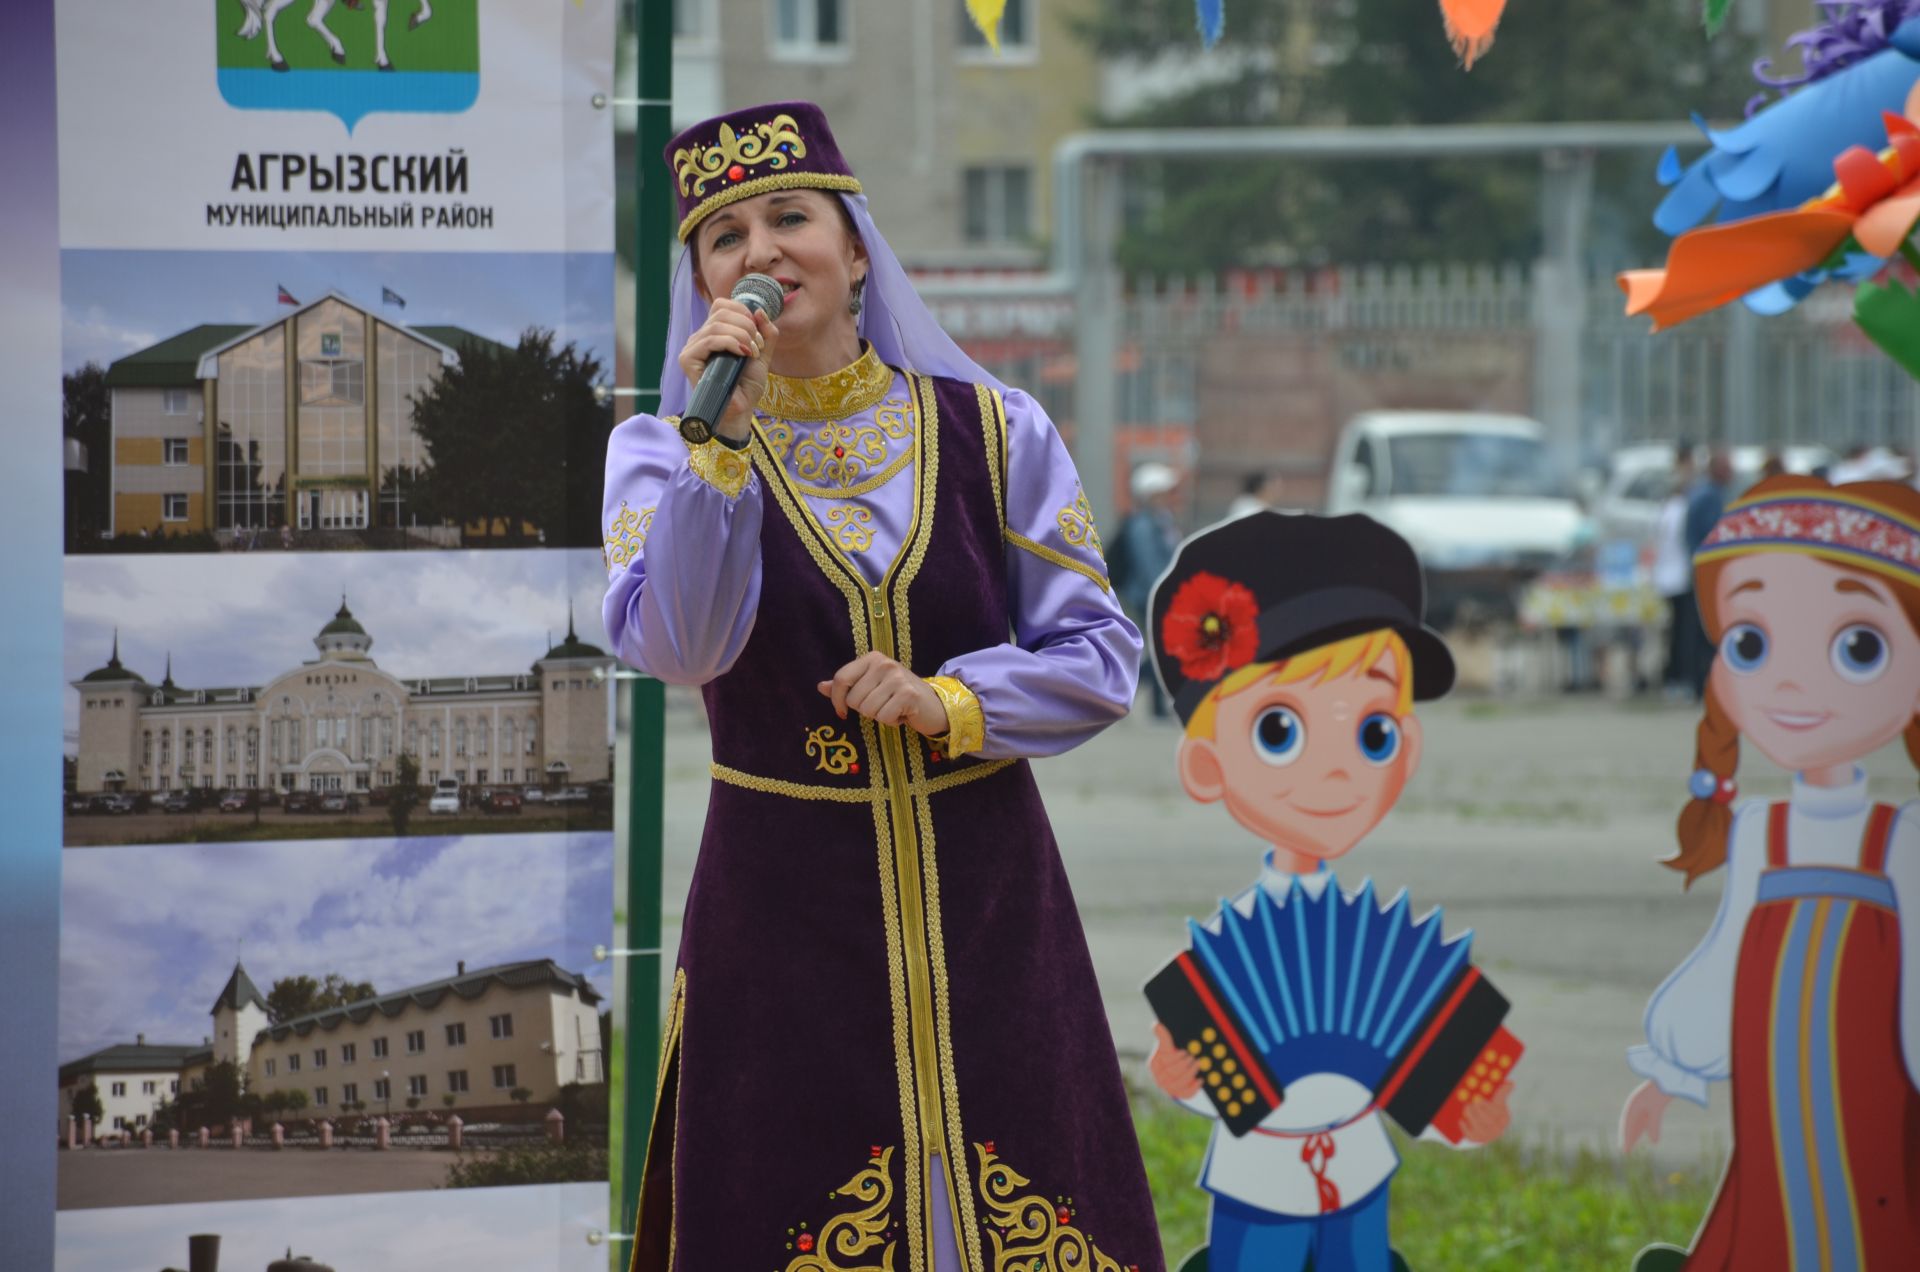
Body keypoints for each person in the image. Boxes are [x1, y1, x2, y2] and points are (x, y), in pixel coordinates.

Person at [600, 101, 1163, 1270]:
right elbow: (685, 648)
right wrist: (721, 457)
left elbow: (1103, 657)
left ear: (857, 251)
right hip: (780, 921)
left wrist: (954, 702)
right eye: (725, 237)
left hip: (991, 907)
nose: (761, 253)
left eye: (791, 218)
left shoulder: (997, 431)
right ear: (700, 283)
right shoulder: (660, 452)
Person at [1143, 512, 1514, 1272]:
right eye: (1278, 730)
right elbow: (1197, 1067)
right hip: (1259, 1178)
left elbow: (1437, 1068)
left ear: (1405, 750)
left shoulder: (1384, 952)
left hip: (1359, 1173)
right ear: (1208, 766)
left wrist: (1468, 1114)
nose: (1340, 772)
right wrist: (1180, 1076)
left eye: (1373, 731)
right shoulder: (1236, 942)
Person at [1620, 474, 1920, 1270]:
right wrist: (1673, 1071)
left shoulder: (1899, 843)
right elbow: (1724, 962)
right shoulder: (1759, 831)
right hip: (1771, 1121)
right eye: (1752, 644)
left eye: (1859, 646)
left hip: (1876, 1115)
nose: (1792, 684)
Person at [1112, 461, 1182, 718]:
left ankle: (1148, 703)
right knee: (1163, 649)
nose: (1173, 496)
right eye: (1167, 491)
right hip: (1149, 595)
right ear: (1153, 494)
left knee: (1162, 648)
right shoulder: (1142, 525)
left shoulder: (1162, 521)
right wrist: (1166, 593)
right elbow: (1149, 566)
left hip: (1161, 593)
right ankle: (1120, 690)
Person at [1680, 449, 1732, 700]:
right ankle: (1705, 682)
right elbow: (1713, 537)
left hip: (1701, 569)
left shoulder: (1703, 494)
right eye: (1727, 466)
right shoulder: (1709, 497)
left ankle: (1701, 681)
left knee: (1699, 629)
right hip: (1708, 571)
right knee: (1707, 630)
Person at [1654, 445, 1698, 700]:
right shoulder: (1681, 509)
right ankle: (1679, 677)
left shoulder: (1666, 510)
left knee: (1674, 631)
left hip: (1668, 575)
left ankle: (1673, 676)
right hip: (1679, 575)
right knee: (1682, 632)